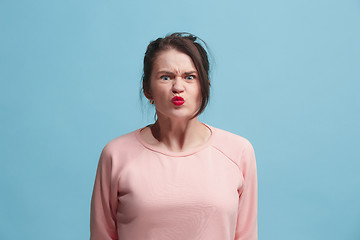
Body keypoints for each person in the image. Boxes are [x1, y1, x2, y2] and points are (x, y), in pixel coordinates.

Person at [90, 32, 258, 240]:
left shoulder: (238, 151)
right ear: (147, 89)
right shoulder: (116, 154)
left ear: (204, 86)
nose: (178, 88)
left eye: (190, 77)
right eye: (166, 77)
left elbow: (246, 236)